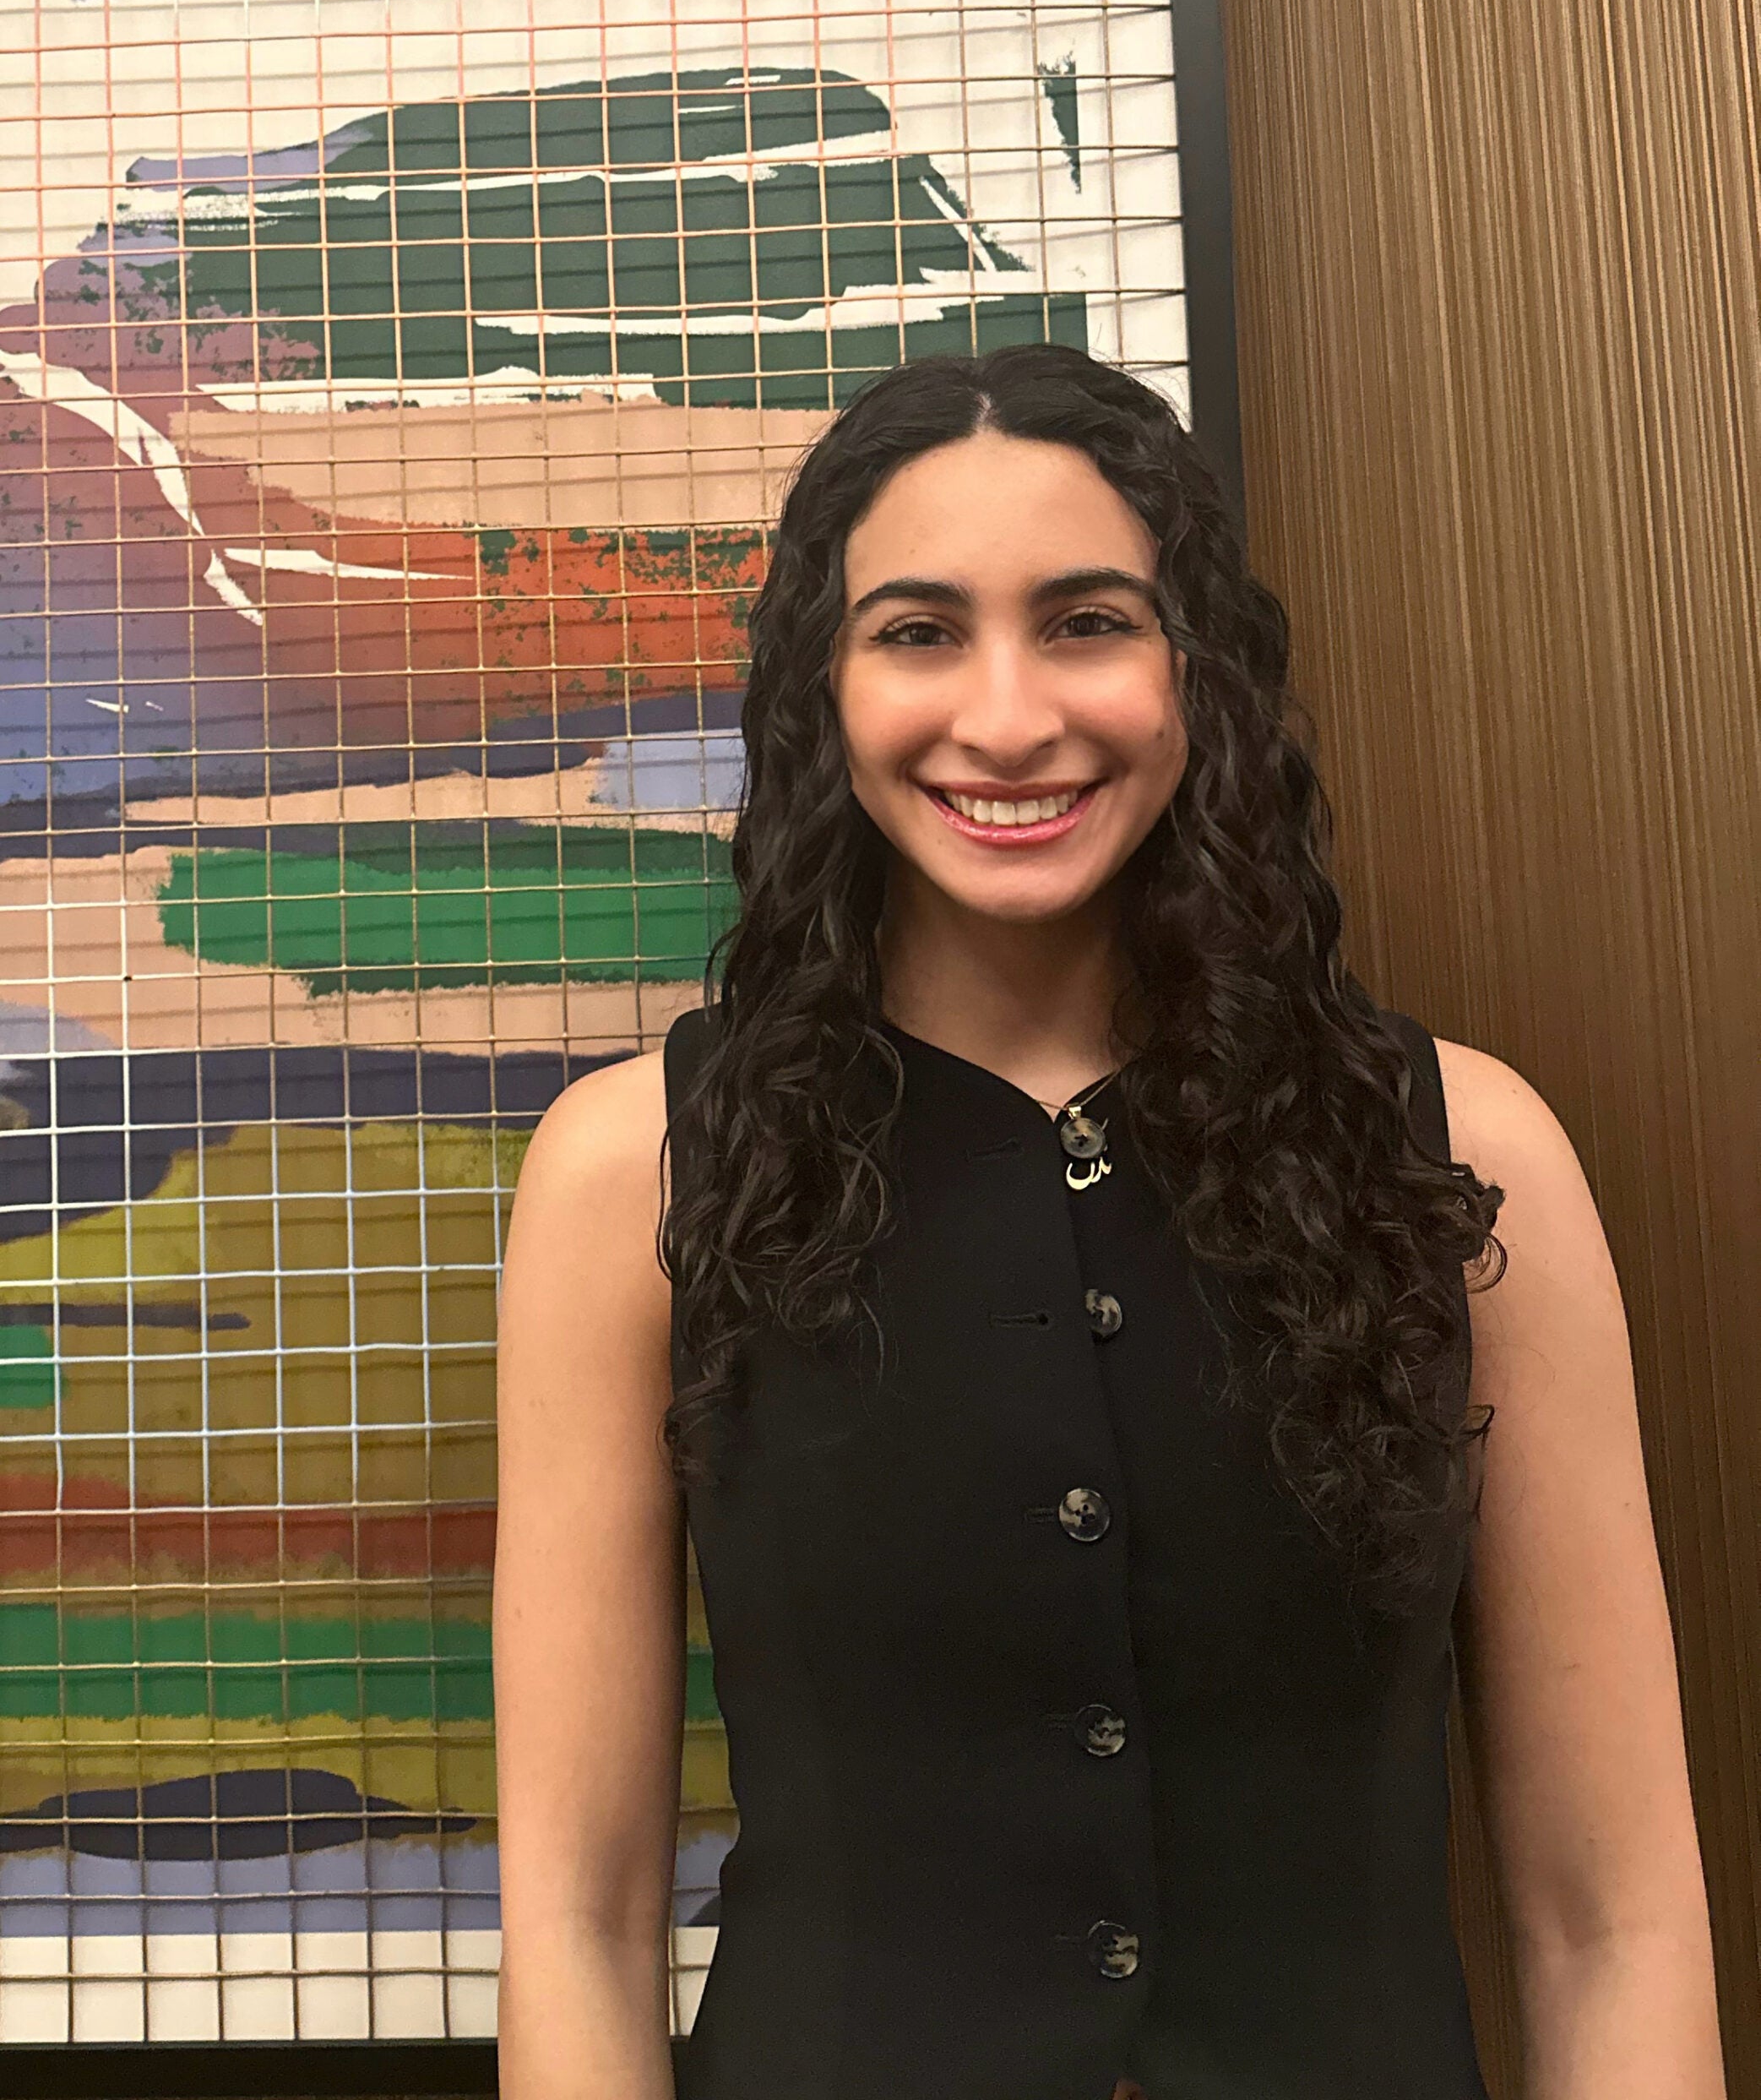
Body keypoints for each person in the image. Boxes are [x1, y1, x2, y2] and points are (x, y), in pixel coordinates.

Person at [492, 345, 1725, 2100]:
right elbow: (581, 1912)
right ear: (819, 689)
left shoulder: (1460, 1153)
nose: (1004, 716)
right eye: (917, 631)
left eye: (1085, 620)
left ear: (1194, 669)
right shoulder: (639, 1172)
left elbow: (1614, 1916)